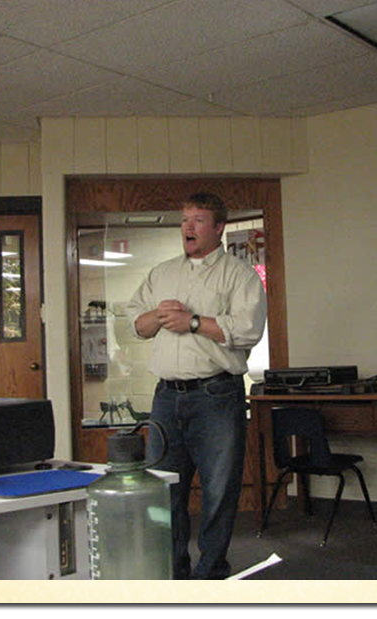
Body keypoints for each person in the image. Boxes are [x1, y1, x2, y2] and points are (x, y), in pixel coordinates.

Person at [125, 192, 267, 579]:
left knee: (219, 490)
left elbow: (248, 330)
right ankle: (173, 573)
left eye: (198, 220)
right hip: (166, 397)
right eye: (185, 220)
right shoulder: (162, 273)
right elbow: (136, 325)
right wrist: (158, 316)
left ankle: (210, 576)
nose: (188, 227)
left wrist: (192, 322)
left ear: (219, 227)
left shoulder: (239, 275)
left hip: (216, 396)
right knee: (162, 489)